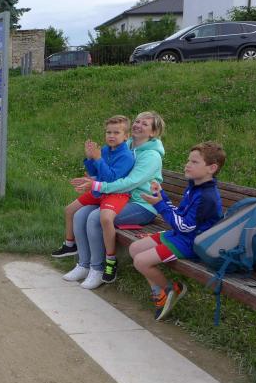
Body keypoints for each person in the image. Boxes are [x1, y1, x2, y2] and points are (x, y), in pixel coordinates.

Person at [66, 111, 166, 290]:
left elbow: (130, 183)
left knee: (95, 218)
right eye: (137, 121)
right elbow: (109, 172)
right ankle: (83, 264)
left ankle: (98, 269)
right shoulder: (126, 145)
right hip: (119, 197)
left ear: (153, 132)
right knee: (80, 214)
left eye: (144, 124)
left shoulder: (151, 156)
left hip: (142, 205)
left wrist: (97, 185)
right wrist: (92, 175)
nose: (138, 125)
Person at [130, 141, 225, 320]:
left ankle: (173, 288)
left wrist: (159, 205)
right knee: (135, 248)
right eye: (188, 160)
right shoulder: (194, 186)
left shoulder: (207, 197)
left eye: (194, 162)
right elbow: (179, 214)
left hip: (191, 243)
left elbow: (184, 226)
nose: (187, 164)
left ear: (212, 168)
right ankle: (161, 293)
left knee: (141, 261)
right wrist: (162, 196)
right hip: (180, 236)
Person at [51, 115, 134, 282]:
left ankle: (101, 265)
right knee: (74, 212)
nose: (111, 136)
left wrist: (97, 159)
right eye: (108, 132)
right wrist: (90, 158)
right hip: (99, 191)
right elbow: (94, 173)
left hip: (115, 194)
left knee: (93, 218)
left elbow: (111, 179)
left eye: (116, 133)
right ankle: (82, 263)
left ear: (126, 136)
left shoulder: (126, 156)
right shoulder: (105, 150)